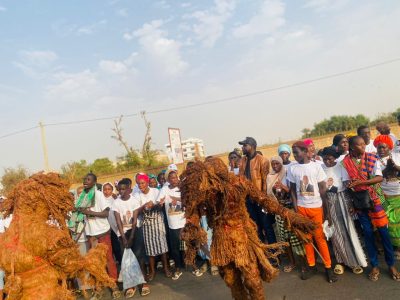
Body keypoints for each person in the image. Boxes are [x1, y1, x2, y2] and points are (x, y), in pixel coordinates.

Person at [342, 136, 400, 281]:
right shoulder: (346, 163)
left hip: (375, 200)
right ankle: (374, 265)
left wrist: (362, 182)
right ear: (352, 147)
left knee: (383, 232)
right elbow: (346, 183)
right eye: (359, 145)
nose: (363, 146)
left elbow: (379, 178)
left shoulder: (372, 158)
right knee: (368, 234)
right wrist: (351, 199)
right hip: (360, 203)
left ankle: (391, 265)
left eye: (363, 144)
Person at [288, 141, 337, 283]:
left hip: (316, 207)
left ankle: (328, 268)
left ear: (304, 151)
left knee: (320, 239)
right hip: (302, 209)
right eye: (293, 152)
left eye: (296, 152)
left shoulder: (316, 167)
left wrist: (326, 212)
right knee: (307, 239)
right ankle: (311, 266)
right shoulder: (293, 168)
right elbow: (292, 191)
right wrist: (296, 210)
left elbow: (323, 190)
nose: (294, 155)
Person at [321, 147, 367, 275]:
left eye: (329, 158)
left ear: (334, 157)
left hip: (342, 199)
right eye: (324, 159)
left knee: (348, 230)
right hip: (328, 201)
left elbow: (347, 187)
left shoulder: (341, 167)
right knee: (335, 233)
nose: (327, 161)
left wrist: (351, 204)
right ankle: (340, 261)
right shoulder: (320, 168)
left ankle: (353, 261)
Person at [80, 174, 121, 299]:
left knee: (109, 260)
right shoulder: (84, 196)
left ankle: (114, 286)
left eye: (88, 180)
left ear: (94, 182)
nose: (85, 181)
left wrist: (90, 212)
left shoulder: (98, 195)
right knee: (95, 263)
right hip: (91, 235)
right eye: (84, 179)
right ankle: (99, 288)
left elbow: (105, 213)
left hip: (102, 232)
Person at [266, 156, 305, 273]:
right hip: (279, 209)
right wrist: (274, 190)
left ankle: (304, 263)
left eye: (277, 164)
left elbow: (294, 192)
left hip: (290, 209)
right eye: (273, 164)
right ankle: (292, 262)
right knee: (285, 238)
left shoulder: (288, 174)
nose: (275, 166)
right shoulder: (269, 176)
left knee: (296, 236)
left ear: (281, 164)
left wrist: (283, 187)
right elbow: (269, 194)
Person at [112, 178, 150, 297]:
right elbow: (118, 221)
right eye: (120, 189)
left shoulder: (134, 200)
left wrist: (132, 237)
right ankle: (131, 285)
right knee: (127, 260)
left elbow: (134, 221)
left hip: (135, 231)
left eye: (124, 189)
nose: (122, 191)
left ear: (129, 189)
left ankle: (143, 283)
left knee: (139, 257)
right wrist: (123, 238)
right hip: (122, 233)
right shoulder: (116, 203)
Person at [238, 137, 275, 245]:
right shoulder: (243, 161)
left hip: (260, 199)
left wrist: (263, 200)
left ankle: (274, 254)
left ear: (252, 146)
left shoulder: (262, 160)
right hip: (248, 199)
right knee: (255, 227)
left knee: (267, 226)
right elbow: (241, 179)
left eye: (245, 145)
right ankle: (262, 253)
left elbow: (265, 181)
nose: (242, 147)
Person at [134, 174, 170, 281]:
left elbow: (160, 206)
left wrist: (153, 205)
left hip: (158, 221)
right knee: (150, 249)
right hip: (146, 223)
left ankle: (166, 268)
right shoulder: (136, 195)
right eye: (139, 183)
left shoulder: (155, 191)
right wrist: (145, 205)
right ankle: (152, 271)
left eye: (143, 183)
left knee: (162, 246)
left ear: (147, 182)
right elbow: (136, 210)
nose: (141, 185)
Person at [157, 170, 188, 280]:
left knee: (185, 245)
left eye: (176, 177)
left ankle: (189, 264)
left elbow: (187, 200)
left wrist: (178, 199)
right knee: (175, 247)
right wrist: (160, 203)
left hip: (183, 222)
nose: (174, 180)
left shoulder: (182, 187)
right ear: (168, 180)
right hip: (172, 224)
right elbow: (159, 200)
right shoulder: (164, 189)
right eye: (172, 178)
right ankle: (178, 267)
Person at [374, 135, 400, 259]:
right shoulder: (376, 162)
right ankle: (395, 247)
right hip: (385, 196)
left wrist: (395, 167)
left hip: (399, 194)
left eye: (383, 147)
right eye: (379, 148)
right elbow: (376, 179)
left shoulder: (397, 156)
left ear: (389, 147)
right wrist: (386, 171)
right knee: (390, 222)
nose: (381, 150)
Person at [102, 182, 122, 269]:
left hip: (114, 227)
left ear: (112, 190)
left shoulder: (115, 200)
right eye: (105, 189)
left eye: (109, 189)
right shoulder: (100, 200)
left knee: (117, 248)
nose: (107, 191)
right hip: (104, 229)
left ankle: (121, 267)